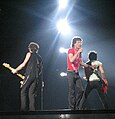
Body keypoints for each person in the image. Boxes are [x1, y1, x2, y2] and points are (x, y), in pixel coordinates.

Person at [12, 42, 43, 111]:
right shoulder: (39, 57)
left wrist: (15, 70)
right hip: (36, 77)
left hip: (29, 75)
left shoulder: (29, 54)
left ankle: (23, 110)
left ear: (30, 48)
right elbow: (41, 69)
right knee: (31, 93)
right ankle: (32, 110)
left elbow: (23, 64)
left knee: (23, 91)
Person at [67, 36, 87, 110]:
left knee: (81, 90)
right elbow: (71, 59)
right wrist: (78, 52)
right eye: (78, 42)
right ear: (74, 43)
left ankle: (77, 106)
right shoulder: (70, 50)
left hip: (77, 73)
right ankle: (72, 108)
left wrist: (89, 66)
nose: (80, 44)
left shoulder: (79, 53)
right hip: (70, 72)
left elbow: (81, 63)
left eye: (80, 42)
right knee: (71, 91)